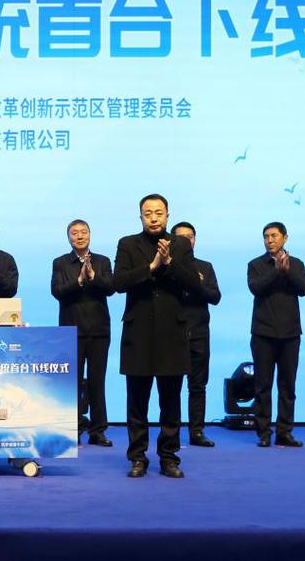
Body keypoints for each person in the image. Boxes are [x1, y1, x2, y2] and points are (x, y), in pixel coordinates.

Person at [113, 194, 201, 478]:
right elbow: (118, 282)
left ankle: (169, 458)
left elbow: (193, 283)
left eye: (159, 213)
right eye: (148, 213)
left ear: (167, 215)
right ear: (140, 216)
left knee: (171, 402)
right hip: (137, 333)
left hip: (172, 333)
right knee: (137, 403)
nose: (153, 218)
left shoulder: (181, 245)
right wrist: (151, 266)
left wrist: (169, 261)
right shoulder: (128, 244)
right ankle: (138, 457)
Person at [50, 219, 115, 446]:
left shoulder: (102, 261)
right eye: (74, 233)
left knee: (98, 381)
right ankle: (73, 429)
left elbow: (111, 288)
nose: (79, 236)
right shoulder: (60, 262)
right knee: (73, 383)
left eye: (83, 232)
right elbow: (57, 291)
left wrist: (93, 277)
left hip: (99, 330)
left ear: (90, 235)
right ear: (69, 237)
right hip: (71, 330)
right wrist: (78, 281)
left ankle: (98, 431)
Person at [247, 221, 305, 448]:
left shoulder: (297, 264)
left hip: (290, 334)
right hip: (263, 333)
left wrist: (287, 270)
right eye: (266, 236)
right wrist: (276, 271)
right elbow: (256, 288)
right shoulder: (256, 264)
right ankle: (264, 433)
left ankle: (284, 432)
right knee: (262, 386)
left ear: (285, 238)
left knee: (287, 386)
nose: (269, 240)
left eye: (274, 236)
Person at [170, 221, 222, 448]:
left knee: (198, 385)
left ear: (195, 240)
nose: (186, 241)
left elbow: (215, 297)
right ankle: (171, 433)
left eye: (189, 237)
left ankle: (197, 432)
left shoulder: (205, 267)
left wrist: (197, 284)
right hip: (172, 333)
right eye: (180, 237)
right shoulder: (166, 266)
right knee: (171, 387)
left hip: (199, 333)